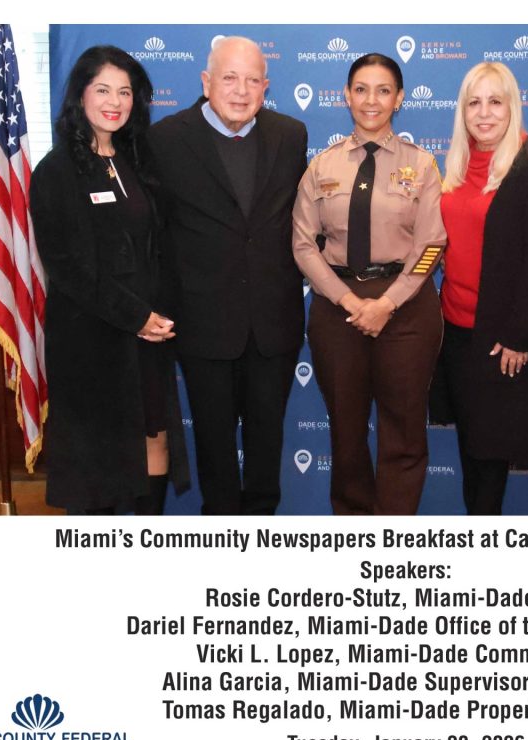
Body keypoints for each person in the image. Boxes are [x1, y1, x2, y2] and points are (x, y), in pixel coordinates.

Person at [148, 37, 307, 515]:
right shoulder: (165, 140)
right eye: (229, 78)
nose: (241, 90)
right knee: (214, 448)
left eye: (252, 80)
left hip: (273, 323)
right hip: (202, 324)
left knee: (267, 444)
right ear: (206, 82)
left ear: (265, 86)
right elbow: (154, 232)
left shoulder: (290, 134)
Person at [30, 45, 189, 514]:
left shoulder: (138, 160)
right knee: (97, 459)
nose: (114, 102)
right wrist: (134, 316)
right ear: (80, 95)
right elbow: (68, 267)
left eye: (125, 91)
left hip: (149, 333)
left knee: (155, 437)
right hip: (91, 337)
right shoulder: (56, 171)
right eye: (102, 90)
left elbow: (161, 244)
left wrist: (157, 317)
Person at [292, 53, 447, 515]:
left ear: (399, 99)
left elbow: (432, 247)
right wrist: (347, 299)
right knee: (346, 430)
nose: (371, 100)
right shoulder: (321, 166)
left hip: (406, 308)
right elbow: (303, 244)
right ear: (346, 96)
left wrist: (388, 303)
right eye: (361, 89)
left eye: (383, 90)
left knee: (404, 430)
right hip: (337, 308)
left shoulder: (423, 165)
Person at [431, 62, 528, 514]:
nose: (484, 113)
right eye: (474, 103)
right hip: (455, 329)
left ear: (512, 106)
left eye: (495, 102)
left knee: (489, 455)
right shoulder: (458, 164)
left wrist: (518, 335)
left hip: (501, 337)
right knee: (471, 447)